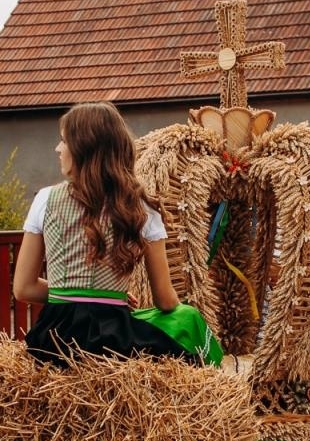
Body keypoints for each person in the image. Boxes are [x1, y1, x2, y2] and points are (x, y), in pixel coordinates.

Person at [13, 102, 219, 366]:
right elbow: (166, 301)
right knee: (189, 319)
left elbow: (23, 288)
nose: (58, 149)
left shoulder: (45, 200)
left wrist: (74, 292)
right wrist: (108, 296)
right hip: (113, 341)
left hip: (53, 342)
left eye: (63, 141)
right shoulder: (141, 208)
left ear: (83, 148)